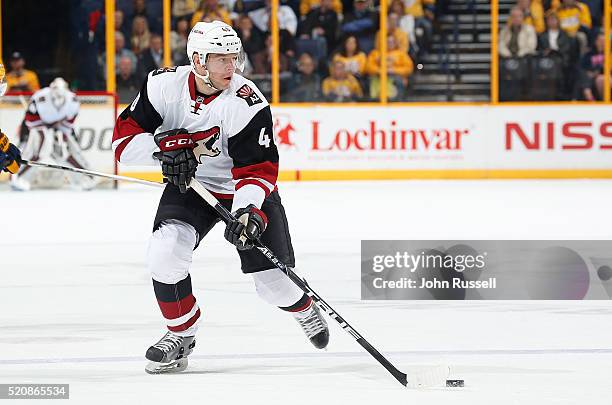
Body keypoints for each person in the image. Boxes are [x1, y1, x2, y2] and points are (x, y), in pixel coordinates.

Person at [111, 21, 329, 374]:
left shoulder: (247, 101)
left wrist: (248, 212)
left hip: (243, 191)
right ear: (198, 60)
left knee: (273, 287)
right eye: (222, 59)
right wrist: (162, 150)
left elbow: (257, 169)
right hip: (194, 187)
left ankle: (303, 306)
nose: (232, 67)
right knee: (165, 252)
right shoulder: (162, 85)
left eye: (234, 57)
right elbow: (122, 144)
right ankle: (181, 334)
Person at [10, 78, 96, 191]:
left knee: (67, 151)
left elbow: (69, 122)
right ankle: (18, 177)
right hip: (37, 124)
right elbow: (30, 119)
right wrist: (46, 130)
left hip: (61, 126)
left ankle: (84, 178)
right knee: (38, 150)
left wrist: (60, 133)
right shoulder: (40, 97)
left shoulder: (73, 100)